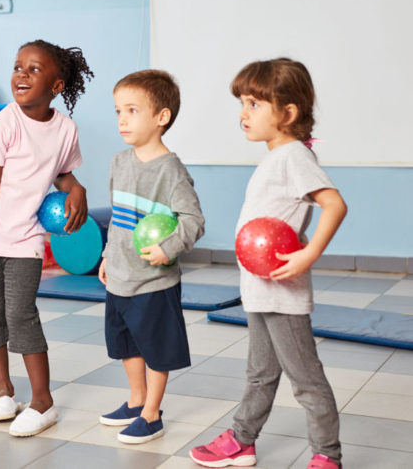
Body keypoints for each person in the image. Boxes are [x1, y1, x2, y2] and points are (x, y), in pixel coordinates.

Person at [190, 58, 347, 469]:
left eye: (254, 104)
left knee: (306, 380)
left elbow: (334, 204)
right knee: (260, 374)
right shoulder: (277, 157)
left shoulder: (294, 156)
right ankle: (243, 440)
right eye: (242, 103)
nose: (243, 113)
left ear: (288, 113)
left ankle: (327, 456)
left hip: (282, 293)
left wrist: (310, 252)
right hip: (261, 290)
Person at [0, 39, 93, 437]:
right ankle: (3, 391)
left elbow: (61, 172)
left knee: (21, 314)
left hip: (26, 238)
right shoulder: (2, 124)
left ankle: (43, 401)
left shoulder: (65, 128)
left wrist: (78, 188)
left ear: (56, 86)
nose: (21, 74)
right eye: (18, 67)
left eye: (34, 69)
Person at [97, 70, 205, 444]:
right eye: (117, 111)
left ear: (161, 117)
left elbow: (193, 220)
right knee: (126, 341)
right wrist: (108, 256)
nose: (122, 120)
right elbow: (116, 219)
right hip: (122, 276)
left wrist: (168, 249)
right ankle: (135, 399)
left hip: (154, 280)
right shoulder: (118, 162)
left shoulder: (171, 171)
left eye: (132, 110)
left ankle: (152, 413)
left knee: (156, 346)